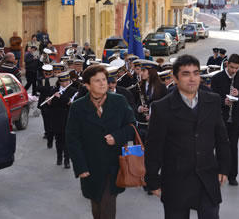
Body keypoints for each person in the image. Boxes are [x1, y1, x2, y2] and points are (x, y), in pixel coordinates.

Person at [145, 54, 231, 219]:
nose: (192, 78)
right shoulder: (162, 108)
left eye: (196, 73)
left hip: (207, 178)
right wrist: (153, 180)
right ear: (175, 78)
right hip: (176, 181)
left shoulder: (212, 101)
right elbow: (154, 147)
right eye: (186, 74)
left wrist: (224, 167)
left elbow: (221, 138)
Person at [66, 65, 135, 219]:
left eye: (104, 79)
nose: (103, 83)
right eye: (97, 81)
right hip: (90, 165)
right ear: (87, 85)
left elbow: (131, 126)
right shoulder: (78, 106)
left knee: (107, 204)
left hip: (113, 164)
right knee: (96, 204)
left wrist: (117, 137)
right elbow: (72, 138)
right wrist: (80, 166)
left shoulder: (119, 101)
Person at [211, 53, 239, 186]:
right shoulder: (217, 78)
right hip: (220, 118)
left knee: (233, 146)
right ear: (227, 64)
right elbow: (212, 97)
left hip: (235, 119)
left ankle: (232, 175)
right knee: (220, 145)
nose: (234, 71)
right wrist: (223, 101)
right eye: (232, 67)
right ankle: (219, 171)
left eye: (237, 68)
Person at [48, 72, 78, 169]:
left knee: (67, 140)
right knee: (58, 139)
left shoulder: (73, 90)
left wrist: (60, 97)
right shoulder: (54, 90)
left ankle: (67, 160)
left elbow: (71, 102)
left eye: (67, 81)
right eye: (64, 81)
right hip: (57, 118)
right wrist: (49, 101)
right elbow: (50, 106)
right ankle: (59, 157)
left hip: (68, 118)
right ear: (60, 82)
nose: (66, 83)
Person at [134, 60, 167, 142]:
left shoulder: (162, 87)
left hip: (157, 124)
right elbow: (134, 102)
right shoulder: (139, 86)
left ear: (151, 72)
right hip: (143, 124)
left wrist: (153, 115)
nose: (141, 73)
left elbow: (165, 106)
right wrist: (139, 108)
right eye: (141, 70)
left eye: (144, 71)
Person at [37, 64, 55, 147]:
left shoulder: (55, 78)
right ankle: (47, 132)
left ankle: (52, 132)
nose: (47, 74)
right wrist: (48, 81)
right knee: (45, 118)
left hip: (53, 102)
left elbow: (53, 89)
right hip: (44, 101)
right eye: (46, 73)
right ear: (43, 72)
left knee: (53, 118)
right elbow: (40, 89)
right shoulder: (40, 79)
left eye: (49, 72)